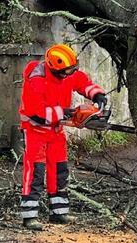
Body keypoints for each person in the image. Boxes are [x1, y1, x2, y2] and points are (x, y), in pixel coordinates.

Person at [17, 43, 107, 230]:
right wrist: (67, 113)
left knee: (59, 170)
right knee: (36, 171)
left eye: (71, 70)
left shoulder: (67, 73)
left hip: (56, 131)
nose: (70, 74)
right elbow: (38, 112)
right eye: (67, 71)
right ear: (55, 68)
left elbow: (83, 82)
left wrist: (97, 95)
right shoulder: (36, 78)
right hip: (35, 130)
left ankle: (58, 213)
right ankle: (29, 216)